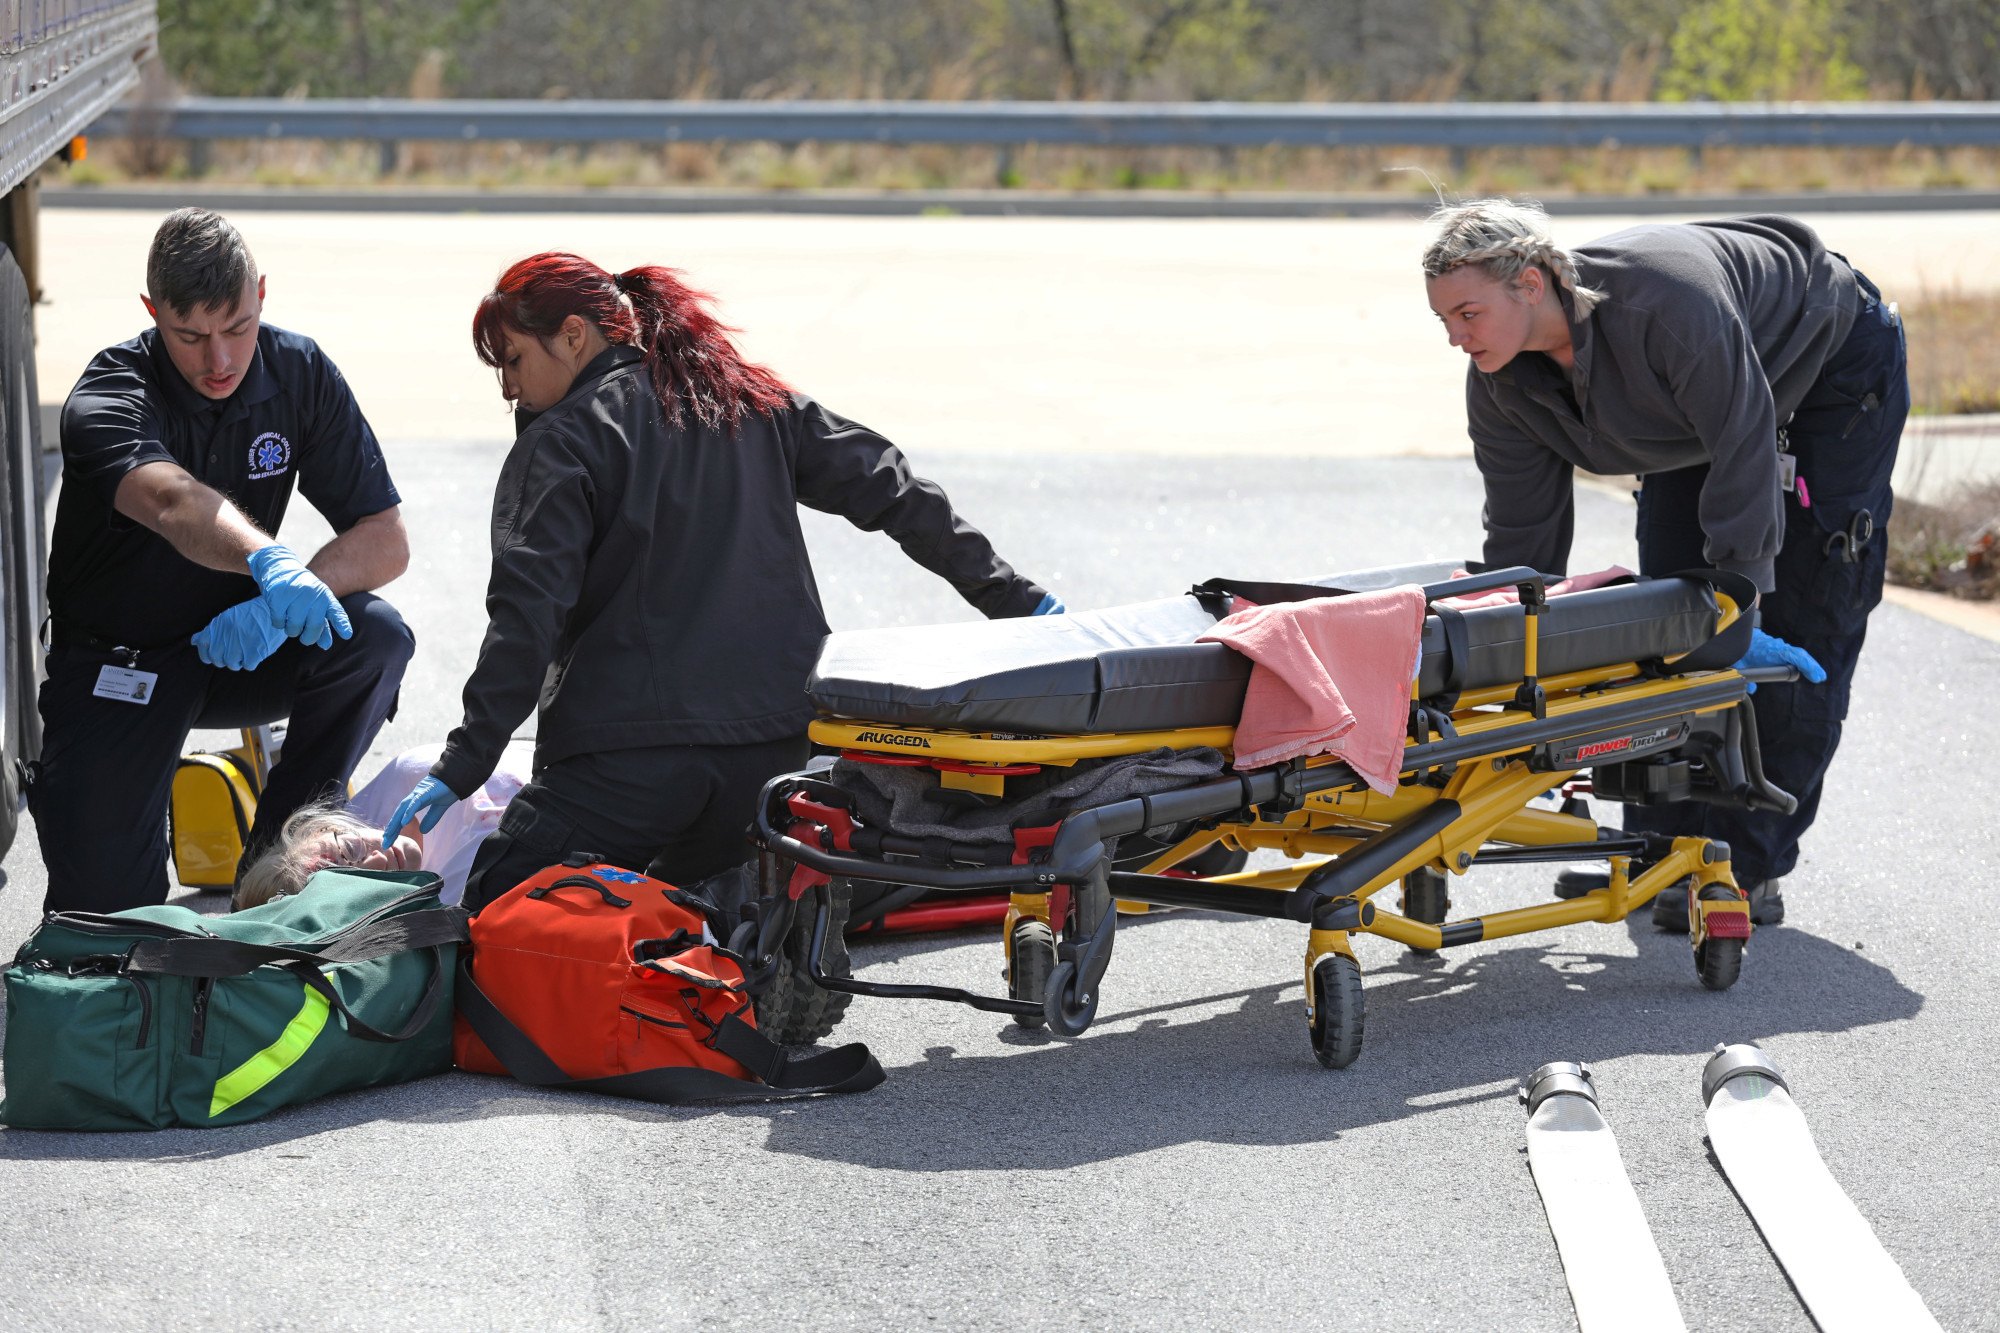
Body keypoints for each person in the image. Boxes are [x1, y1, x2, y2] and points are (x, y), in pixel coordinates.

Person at [384, 252, 1062, 910]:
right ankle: (746, 927)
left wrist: (463, 764)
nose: (507, 387)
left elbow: (524, 620)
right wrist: (1017, 600)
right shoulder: (744, 400)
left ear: (573, 334)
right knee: (696, 910)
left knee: (496, 910)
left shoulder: (561, 442)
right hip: (777, 755)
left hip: (629, 762)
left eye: (512, 360)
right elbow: (891, 486)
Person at [1422, 200, 1905, 929]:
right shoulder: (1499, 380)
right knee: (1663, 628)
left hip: (1827, 368)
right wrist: (1508, 640)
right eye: (1444, 322)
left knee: (1803, 608)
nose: (1456, 338)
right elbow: (1525, 540)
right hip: (1695, 409)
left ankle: (1745, 864)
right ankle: (1668, 850)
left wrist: (1739, 597)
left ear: (1528, 284)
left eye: (1467, 314)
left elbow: (1744, 437)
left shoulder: (1666, 305)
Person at [34, 208, 413, 915]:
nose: (220, 360)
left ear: (261, 294)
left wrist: (291, 594)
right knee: (113, 923)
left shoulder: (299, 371)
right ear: (153, 312)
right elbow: (173, 501)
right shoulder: (112, 392)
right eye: (192, 336)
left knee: (373, 635)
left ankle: (278, 868)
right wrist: (268, 556)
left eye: (237, 327)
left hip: (237, 643)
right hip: (122, 663)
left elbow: (384, 534)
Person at [233, 745, 529, 910]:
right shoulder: (456, 904)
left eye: (350, 849)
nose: (376, 860)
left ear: (323, 828)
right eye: (356, 883)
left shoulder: (409, 778)